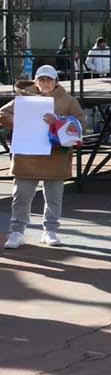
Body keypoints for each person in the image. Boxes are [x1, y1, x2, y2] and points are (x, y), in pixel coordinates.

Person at [0, 66, 85, 248]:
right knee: (21, 196)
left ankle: (50, 231)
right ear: (36, 81)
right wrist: (18, 123)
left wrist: (59, 120)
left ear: (56, 81)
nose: (45, 83)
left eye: (49, 79)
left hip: (55, 156)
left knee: (54, 197)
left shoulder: (69, 101)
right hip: (27, 155)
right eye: (42, 79)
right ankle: (17, 232)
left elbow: (81, 125)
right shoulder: (23, 99)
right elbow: (2, 113)